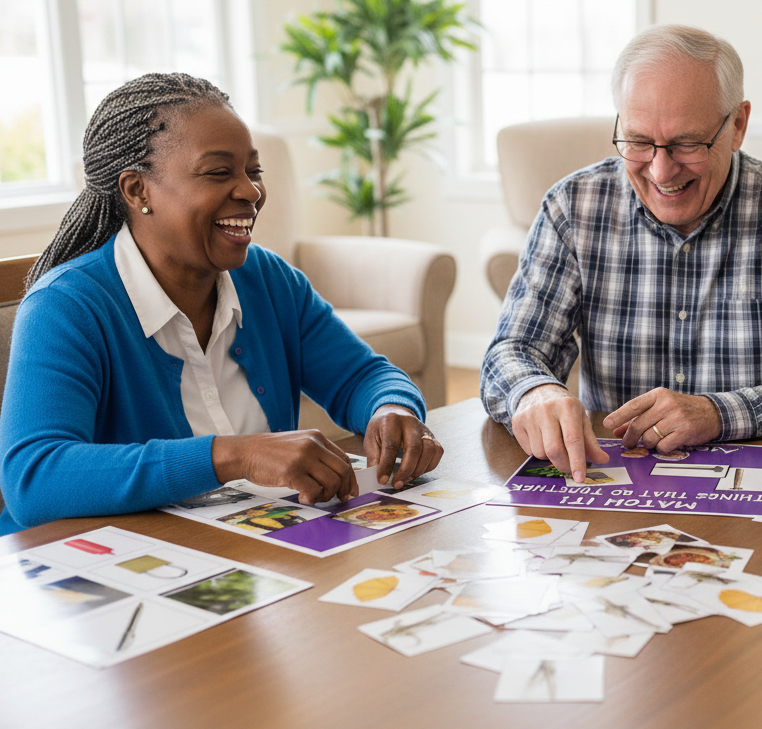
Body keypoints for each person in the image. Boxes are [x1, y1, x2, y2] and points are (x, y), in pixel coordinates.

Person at [0, 73, 443, 536]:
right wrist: (236, 454)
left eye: (253, 171)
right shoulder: (67, 307)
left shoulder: (268, 280)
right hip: (103, 575)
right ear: (137, 191)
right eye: (218, 172)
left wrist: (391, 409)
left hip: (250, 555)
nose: (250, 192)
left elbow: (361, 375)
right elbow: (34, 479)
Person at [481, 24, 762, 482]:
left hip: (760, 498)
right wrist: (535, 392)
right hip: (612, 491)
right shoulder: (574, 206)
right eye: (639, 141)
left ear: (738, 124)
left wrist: (719, 413)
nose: (662, 171)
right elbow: (512, 350)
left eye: (688, 143)